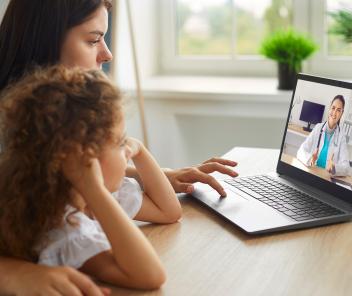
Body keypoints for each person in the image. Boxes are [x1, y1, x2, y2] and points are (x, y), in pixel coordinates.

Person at [0, 0, 238, 294]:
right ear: (45, 39)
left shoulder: (64, 130)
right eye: (93, 39)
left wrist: (153, 175)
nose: (107, 54)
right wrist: (11, 273)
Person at [0, 65, 181, 289]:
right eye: (120, 141)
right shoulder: (64, 227)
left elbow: (169, 212)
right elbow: (152, 276)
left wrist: (141, 150)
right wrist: (95, 190)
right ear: (84, 159)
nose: (128, 149)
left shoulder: (104, 195)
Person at [296, 95, 350, 176]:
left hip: (326, 177)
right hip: (312, 172)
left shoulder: (341, 136)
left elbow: (346, 167)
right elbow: (300, 151)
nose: (334, 113)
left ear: (342, 113)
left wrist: (334, 168)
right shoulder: (318, 128)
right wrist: (310, 158)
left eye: (339, 110)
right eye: (333, 108)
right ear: (329, 108)